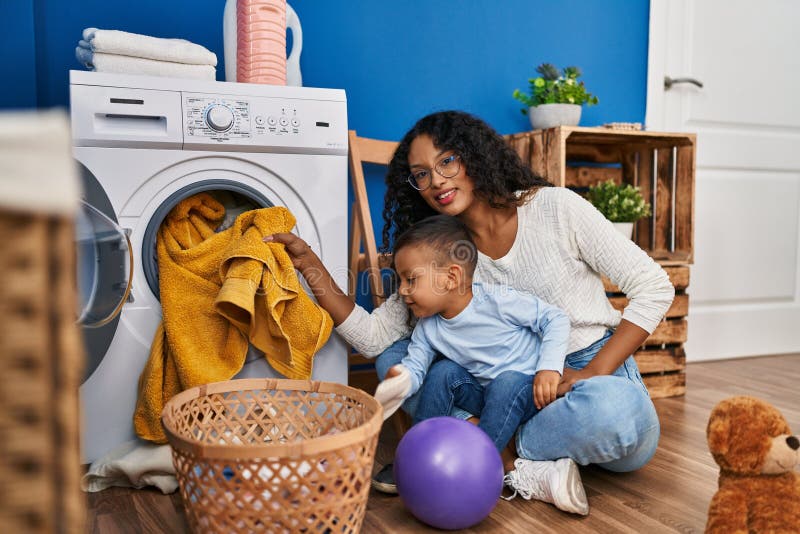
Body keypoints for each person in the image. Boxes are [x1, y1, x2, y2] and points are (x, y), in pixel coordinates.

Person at [263, 110, 674, 516]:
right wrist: (309, 265)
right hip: (502, 390)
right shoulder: (442, 253)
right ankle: (517, 462)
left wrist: (592, 372)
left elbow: (655, 287)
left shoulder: (556, 209)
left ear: (475, 156)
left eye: (447, 161)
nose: (436, 180)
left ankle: (491, 452)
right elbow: (373, 337)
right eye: (421, 173)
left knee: (619, 411)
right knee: (396, 360)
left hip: (585, 377)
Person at [374, 215, 570, 464]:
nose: (402, 290)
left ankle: (478, 463)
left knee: (506, 382)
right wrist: (401, 379)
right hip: (486, 398)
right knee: (443, 370)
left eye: (410, 279)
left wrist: (549, 369)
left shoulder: (497, 301)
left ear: (451, 278)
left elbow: (555, 319)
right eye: (400, 281)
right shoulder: (427, 328)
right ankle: (420, 453)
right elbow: (416, 367)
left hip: (531, 391)